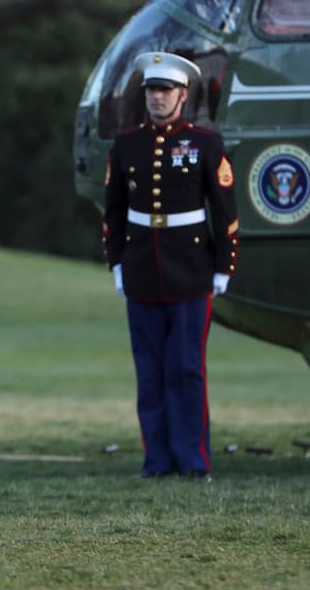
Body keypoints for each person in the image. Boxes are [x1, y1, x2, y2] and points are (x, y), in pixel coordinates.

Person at [102, 52, 238, 479]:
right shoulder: (126, 144)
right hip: (142, 268)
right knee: (150, 373)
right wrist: (117, 261)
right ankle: (157, 460)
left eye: (165, 90)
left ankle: (193, 460)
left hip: (191, 270)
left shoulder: (204, 143)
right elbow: (114, 210)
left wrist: (223, 265)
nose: (157, 98)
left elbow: (224, 209)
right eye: (151, 90)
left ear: (183, 94)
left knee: (185, 368)